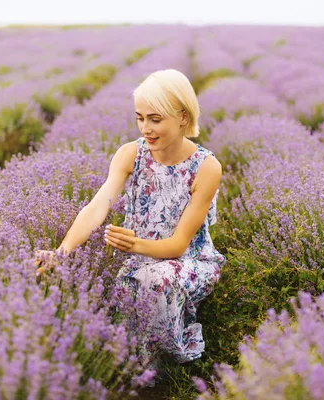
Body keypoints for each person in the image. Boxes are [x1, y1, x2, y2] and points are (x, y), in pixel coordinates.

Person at [33, 68, 226, 375]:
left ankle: (165, 366)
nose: (145, 128)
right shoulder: (130, 154)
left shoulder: (206, 167)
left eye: (156, 119)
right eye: (140, 117)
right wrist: (62, 252)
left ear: (184, 118)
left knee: (155, 281)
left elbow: (179, 245)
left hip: (188, 261)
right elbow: (97, 206)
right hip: (139, 260)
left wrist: (135, 243)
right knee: (123, 299)